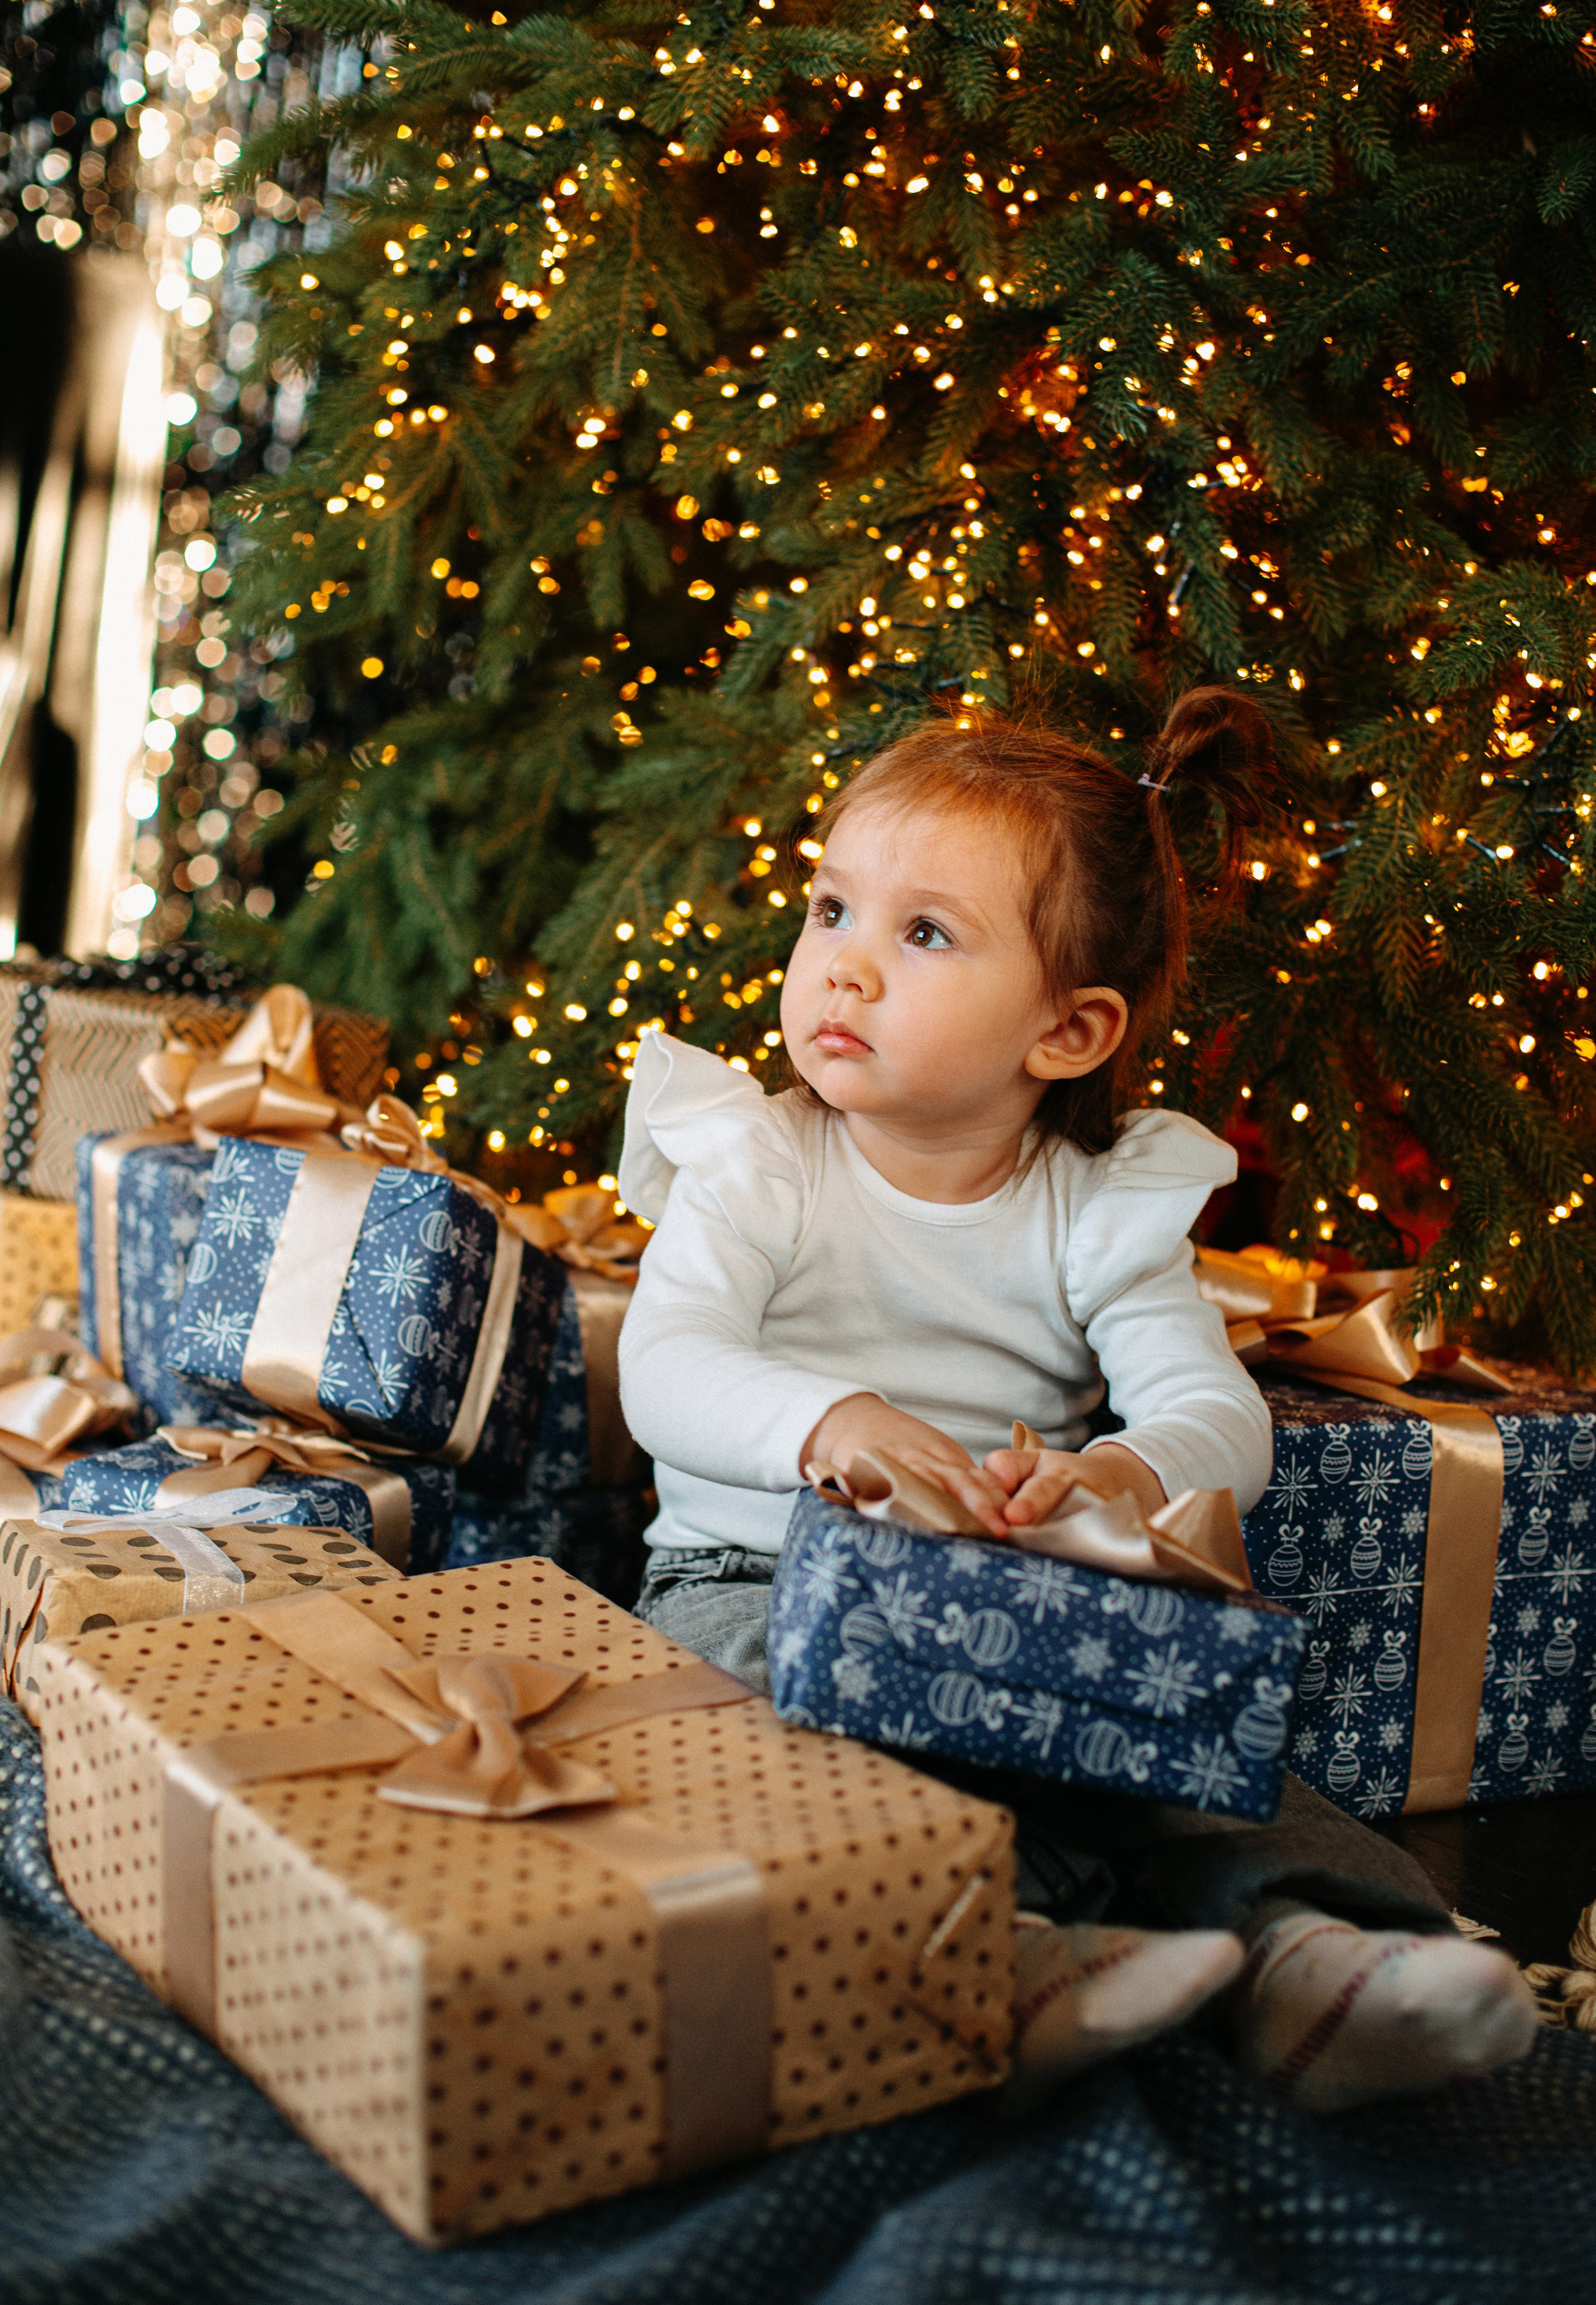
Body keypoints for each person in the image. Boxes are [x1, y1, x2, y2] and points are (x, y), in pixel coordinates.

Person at [617, 693, 1537, 2112]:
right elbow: (664, 1366)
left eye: (919, 935)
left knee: (1190, 1755)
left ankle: (1316, 1957)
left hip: (1015, 1584)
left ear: (1065, 1030)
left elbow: (1210, 1410)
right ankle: (1005, 1955)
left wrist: (1118, 1481)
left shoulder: (1093, 1207)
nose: (841, 971)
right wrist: (832, 1424)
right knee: (796, 1746)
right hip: (749, 1571)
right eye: (829, 910)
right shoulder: (764, 1166)